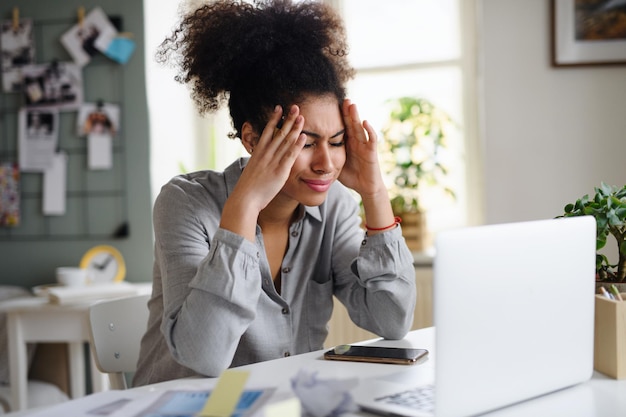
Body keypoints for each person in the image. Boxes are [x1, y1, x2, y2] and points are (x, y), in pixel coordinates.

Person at [133, 0, 417, 386]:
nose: (326, 163)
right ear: (252, 138)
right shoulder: (186, 202)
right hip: (184, 407)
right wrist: (246, 204)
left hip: (282, 404)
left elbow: (392, 321)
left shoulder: (333, 207)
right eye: (305, 143)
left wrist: (374, 191)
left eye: (336, 142)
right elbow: (204, 356)